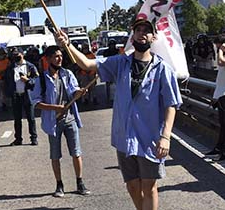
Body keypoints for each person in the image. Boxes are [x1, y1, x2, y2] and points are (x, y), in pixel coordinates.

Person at [57, 19, 182, 210]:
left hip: (150, 139)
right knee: (132, 185)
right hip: (125, 136)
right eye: (138, 30)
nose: (142, 33)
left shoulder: (163, 69)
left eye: (146, 31)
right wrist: (66, 44)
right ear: (132, 36)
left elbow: (171, 104)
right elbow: (87, 63)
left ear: (153, 37)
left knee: (149, 186)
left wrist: (166, 137)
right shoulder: (120, 62)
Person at [29, 46, 91, 198]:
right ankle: (59, 184)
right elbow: (35, 102)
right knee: (55, 155)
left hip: (70, 118)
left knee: (76, 152)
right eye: (56, 56)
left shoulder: (67, 74)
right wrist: (54, 108)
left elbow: (74, 91)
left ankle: (80, 182)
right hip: (53, 122)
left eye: (60, 56)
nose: (59, 59)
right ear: (48, 59)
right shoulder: (41, 79)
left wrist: (80, 92)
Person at [4, 47, 39, 146]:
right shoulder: (11, 67)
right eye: (14, 55)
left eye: (17, 55)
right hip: (16, 96)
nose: (16, 57)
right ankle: (18, 139)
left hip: (27, 95)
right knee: (17, 119)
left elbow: (36, 79)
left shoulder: (30, 66)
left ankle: (33, 138)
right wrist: (9, 92)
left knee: (31, 118)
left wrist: (28, 80)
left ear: (22, 54)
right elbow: (7, 80)